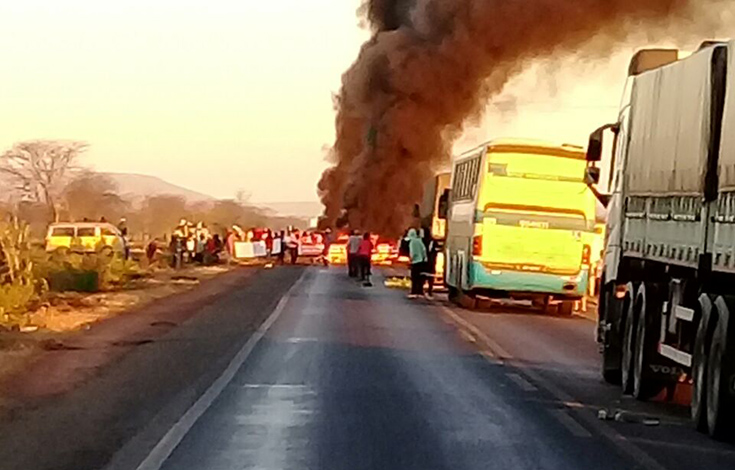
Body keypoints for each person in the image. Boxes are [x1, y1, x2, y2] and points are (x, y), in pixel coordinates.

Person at [407, 228, 428, 299]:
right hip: (421, 262)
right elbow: (424, 250)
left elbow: (412, 253)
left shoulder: (412, 242)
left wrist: (410, 260)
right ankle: (420, 291)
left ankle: (414, 291)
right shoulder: (419, 241)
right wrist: (425, 258)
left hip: (415, 262)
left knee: (414, 278)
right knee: (420, 278)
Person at [422, 228, 438, 298]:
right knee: (425, 276)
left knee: (430, 277)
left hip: (430, 262)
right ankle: (425, 290)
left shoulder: (432, 242)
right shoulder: (423, 241)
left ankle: (429, 290)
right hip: (426, 261)